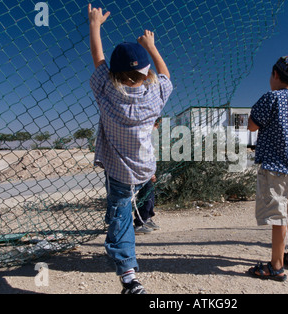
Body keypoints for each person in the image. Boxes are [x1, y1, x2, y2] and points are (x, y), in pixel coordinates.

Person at [88, 4, 173, 294]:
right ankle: (135, 214)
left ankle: (128, 276)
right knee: (127, 204)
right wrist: (151, 46)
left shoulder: (106, 91)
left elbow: (98, 59)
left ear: (114, 74)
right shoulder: (155, 96)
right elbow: (166, 75)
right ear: (145, 73)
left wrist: (95, 25)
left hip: (119, 173)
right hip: (145, 168)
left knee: (120, 216)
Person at [247, 56, 288, 281]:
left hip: (274, 166)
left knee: (278, 216)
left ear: (275, 74)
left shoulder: (271, 98)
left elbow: (253, 124)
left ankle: (276, 266)